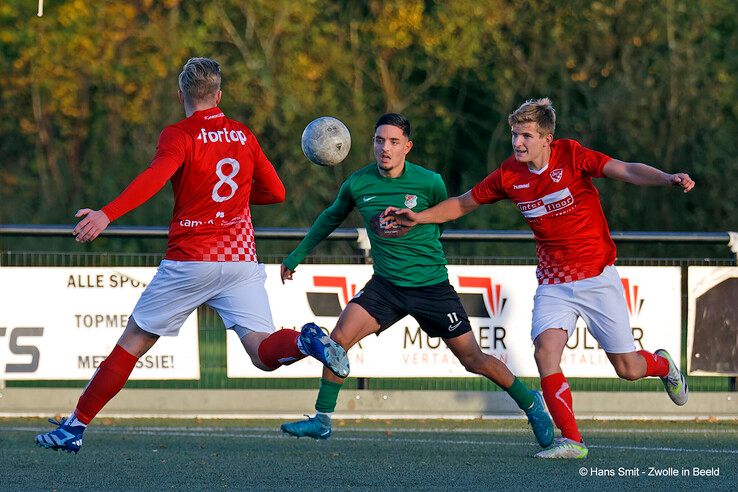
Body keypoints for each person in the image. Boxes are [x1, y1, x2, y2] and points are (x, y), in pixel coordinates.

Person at [35, 57, 349, 454]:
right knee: (262, 351)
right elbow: (277, 193)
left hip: (191, 259)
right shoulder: (244, 135)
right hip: (239, 260)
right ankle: (306, 343)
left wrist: (106, 213)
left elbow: (155, 176)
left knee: (131, 343)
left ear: (180, 94)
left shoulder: (179, 134)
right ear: (219, 95)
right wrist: (234, 199)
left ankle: (74, 427)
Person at [385, 98, 693, 459]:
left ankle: (662, 365)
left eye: (526, 136)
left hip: (597, 276)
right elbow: (464, 203)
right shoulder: (509, 174)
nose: (518, 143)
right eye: (514, 135)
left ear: (547, 138)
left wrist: (666, 178)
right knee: (545, 353)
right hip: (553, 282)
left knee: (628, 368)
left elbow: (624, 170)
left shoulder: (572, 155)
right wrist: (419, 217)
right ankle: (573, 441)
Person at [279, 113, 554, 448]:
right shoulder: (358, 183)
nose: (385, 148)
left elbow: (442, 217)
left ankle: (531, 403)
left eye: (394, 142)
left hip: (431, 287)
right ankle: (321, 420)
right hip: (385, 287)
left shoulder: (429, 182)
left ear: (407, 147)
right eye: (380, 140)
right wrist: (295, 255)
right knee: (337, 342)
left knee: (473, 360)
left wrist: (413, 235)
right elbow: (328, 218)